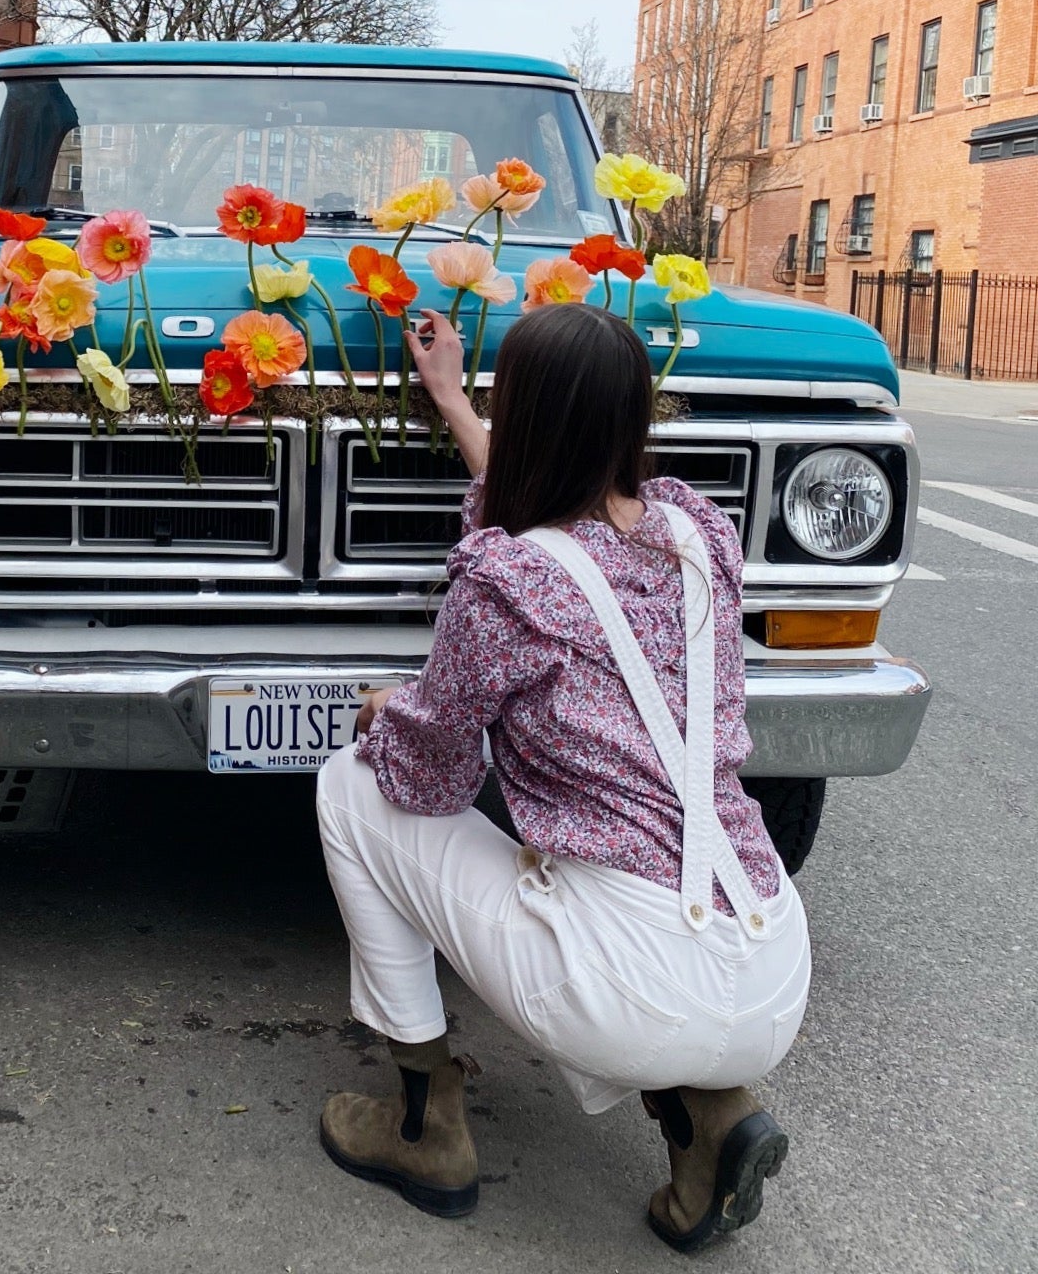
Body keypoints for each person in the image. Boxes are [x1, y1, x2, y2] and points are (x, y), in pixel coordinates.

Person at [314, 301, 811, 1253]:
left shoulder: (502, 585)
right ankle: (711, 1116)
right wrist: (454, 401)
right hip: (771, 964)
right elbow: (559, 534)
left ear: (531, 417)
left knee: (351, 784)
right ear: (634, 418)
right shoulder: (697, 535)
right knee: (608, 916)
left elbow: (429, 776)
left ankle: (427, 1128)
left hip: (633, 981)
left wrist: (390, 712)